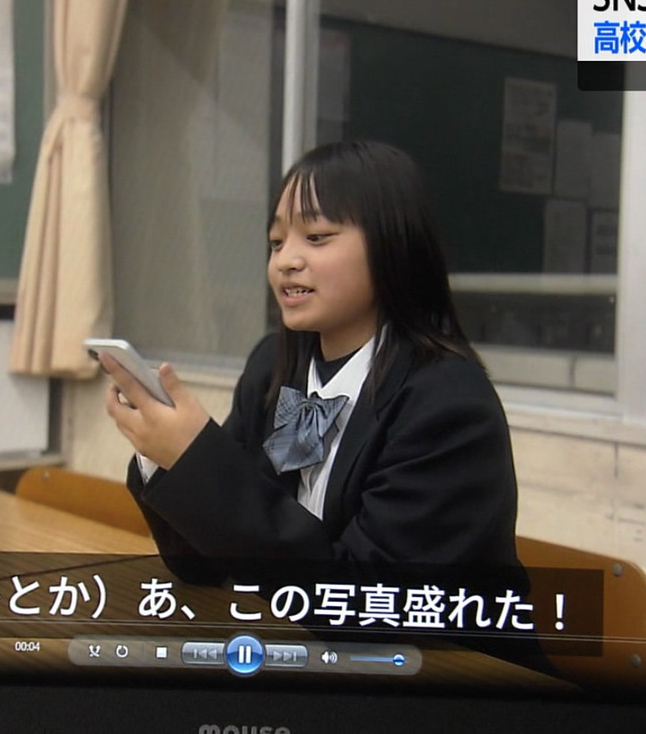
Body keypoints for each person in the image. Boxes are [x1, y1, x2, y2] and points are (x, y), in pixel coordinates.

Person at [100, 140, 522, 588]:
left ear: (392, 245)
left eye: (316, 237)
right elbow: (203, 565)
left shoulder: (447, 404)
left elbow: (363, 599)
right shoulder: (275, 366)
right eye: (276, 242)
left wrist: (195, 459)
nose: (286, 261)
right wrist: (165, 456)